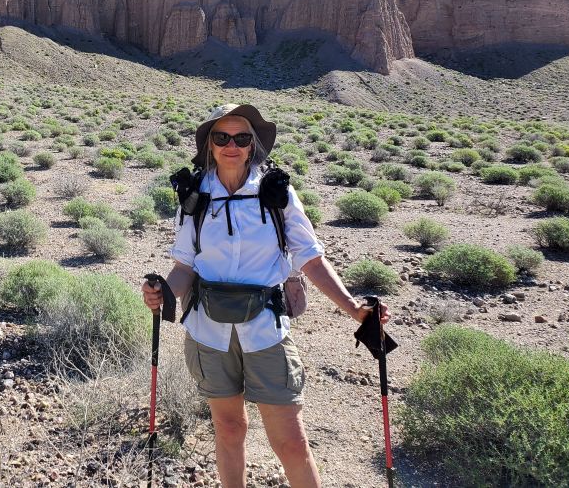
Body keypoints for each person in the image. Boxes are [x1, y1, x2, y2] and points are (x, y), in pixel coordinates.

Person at [142, 103, 390, 488]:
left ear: (252, 144)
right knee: (228, 428)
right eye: (222, 137)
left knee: (291, 441)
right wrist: (162, 295)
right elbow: (185, 267)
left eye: (241, 138)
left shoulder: (275, 192)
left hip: (265, 328)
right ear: (209, 143)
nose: (232, 146)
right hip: (209, 331)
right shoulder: (194, 195)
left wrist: (352, 307)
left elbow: (310, 257)